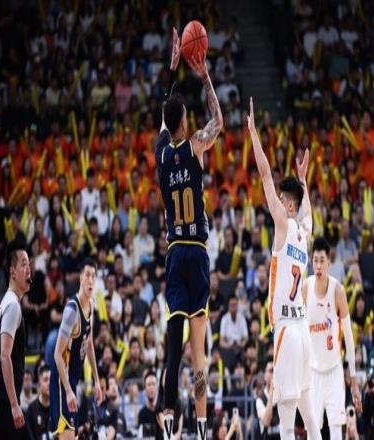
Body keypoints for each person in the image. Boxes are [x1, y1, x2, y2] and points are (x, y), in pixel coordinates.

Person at [154, 28, 223, 440]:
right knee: (199, 355)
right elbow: (219, 121)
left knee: (173, 348)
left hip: (175, 251)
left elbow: (163, 117)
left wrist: (172, 70)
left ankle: (168, 420)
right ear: (185, 122)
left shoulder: (162, 153)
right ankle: (200, 427)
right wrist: (204, 77)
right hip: (197, 252)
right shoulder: (196, 145)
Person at [247, 98, 321, 439]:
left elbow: (264, 173)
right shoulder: (305, 233)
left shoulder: (284, 223)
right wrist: (303, 181)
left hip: (288, 331)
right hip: (304, 332)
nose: (276, 200)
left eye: (281, 198)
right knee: (311, 418)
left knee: (287, 424)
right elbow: (309, 213)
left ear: (287, 204)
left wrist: (253, 134)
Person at [303, 237, 362, 439]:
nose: (318, 266)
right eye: (315, 261)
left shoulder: (338, 291)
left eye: (322, 261)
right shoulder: (305, 289)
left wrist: (353, 381)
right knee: (312, 432)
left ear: (329, 261)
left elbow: (349, 339)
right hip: (313, 373)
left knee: (336, 431)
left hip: (335, 371)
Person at [49, 258, 102, 438]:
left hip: (72, 382)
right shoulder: (72, 310)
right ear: (80, 278)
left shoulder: (91, 306)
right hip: (61, 382)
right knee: (69, 436)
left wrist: (97, 380)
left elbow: (89, 343)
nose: (90, 280)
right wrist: (68, 391)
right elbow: (57, 354)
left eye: (93, 276)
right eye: (87, 275)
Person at [0, 239, 31, 438]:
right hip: (5, 405)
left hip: (0, 400)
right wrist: (13, 404)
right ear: (12, 272)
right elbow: (4, 356)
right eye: (24, 264)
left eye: (29, 264)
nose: (29, 269)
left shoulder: (5, 303)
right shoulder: (12, 306)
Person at [26, 365, 51, 440]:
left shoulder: (58, 407)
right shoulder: (31, 409)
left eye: (51, 380)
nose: (49, 383)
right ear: (39, 384)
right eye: (45, 380)